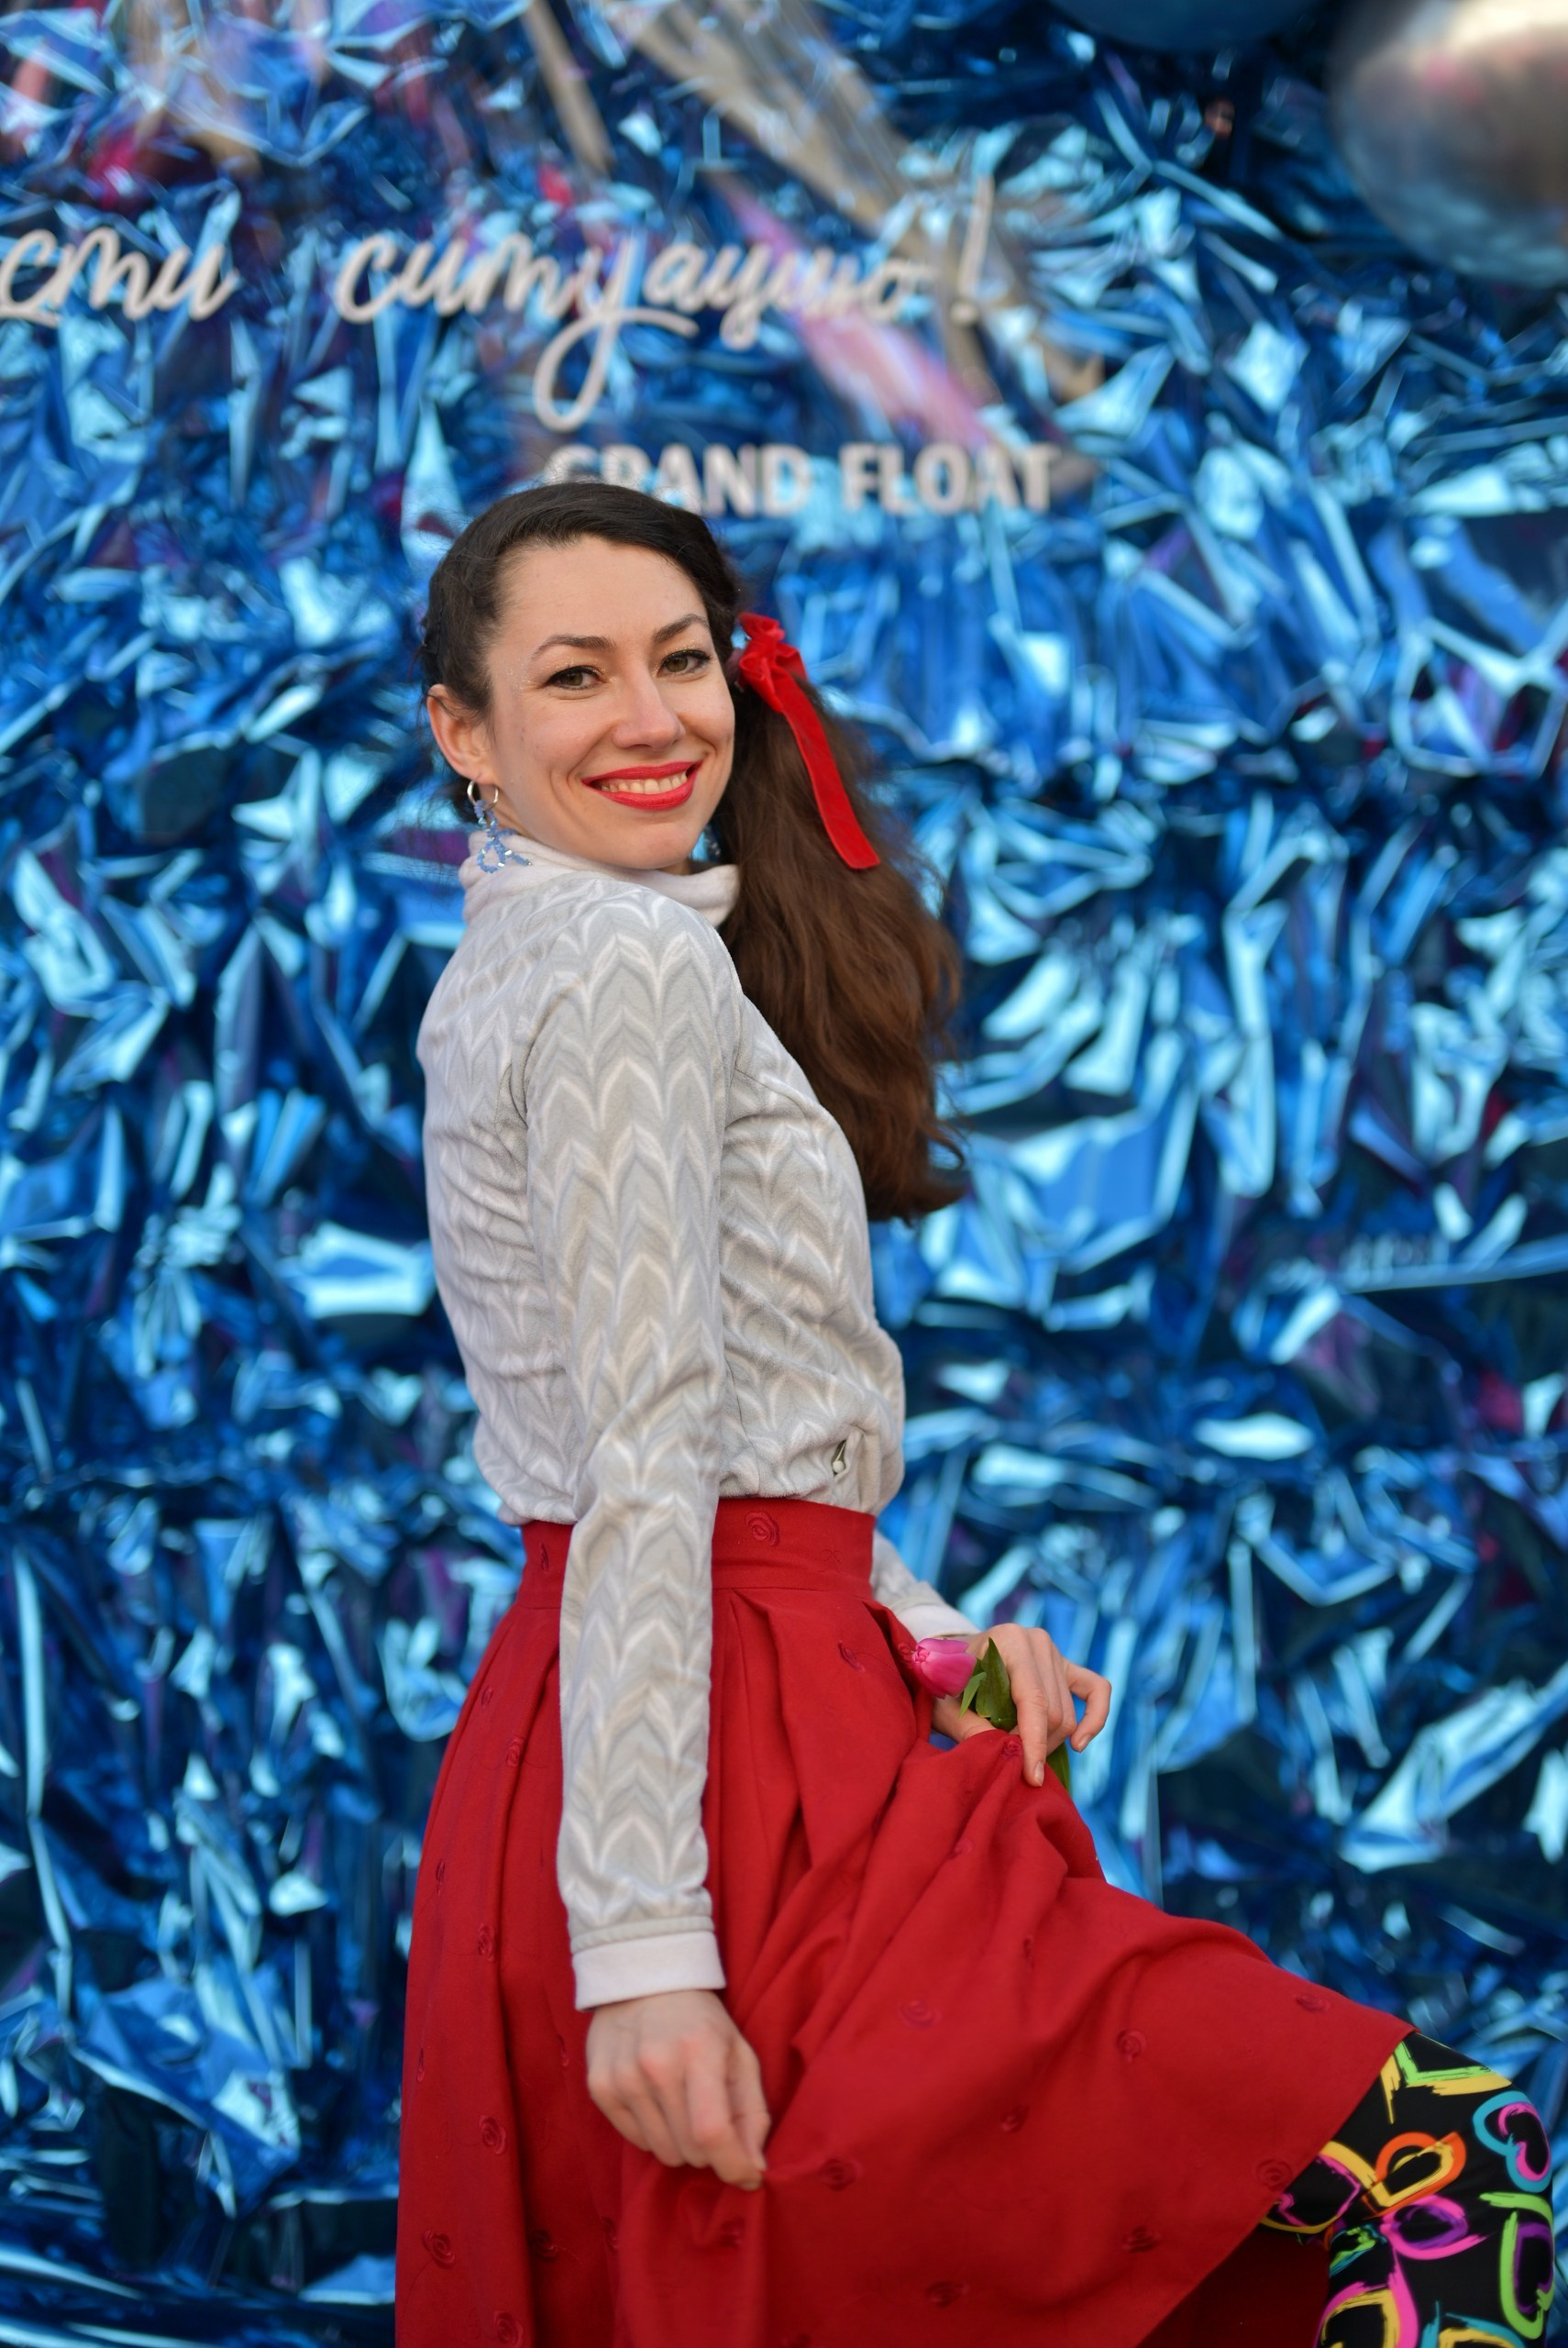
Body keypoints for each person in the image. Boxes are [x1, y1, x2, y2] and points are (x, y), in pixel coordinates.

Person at [395, 481, 1555, 2348]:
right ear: (465, 729)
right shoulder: (618, 963)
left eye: (681, 660)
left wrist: (918, 1631)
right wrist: (645, 1948)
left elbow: (714, 1434)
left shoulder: (542, 951)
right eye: (575, 675)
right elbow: (642, 1460)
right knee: (1443, 2178)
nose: (652, 716)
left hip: (665, 1719)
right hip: (718, 1775)